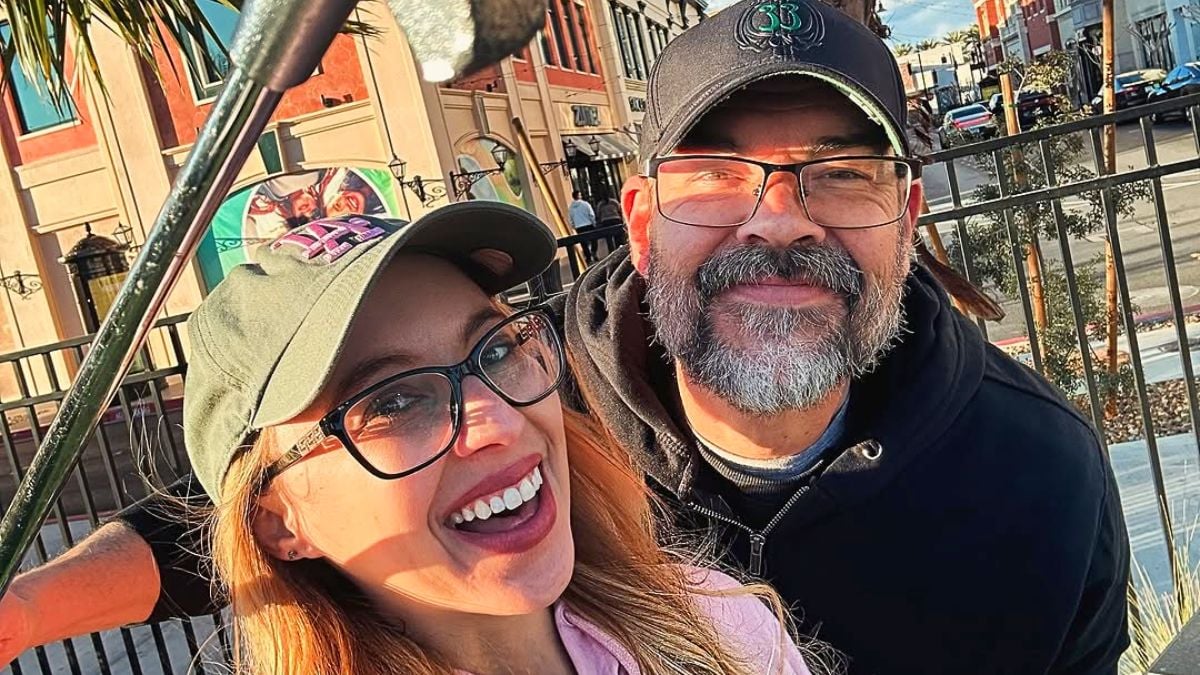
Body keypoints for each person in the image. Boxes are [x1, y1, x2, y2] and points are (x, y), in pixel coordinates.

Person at [0, 1, 1129, 673]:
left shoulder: (1042, 475)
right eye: (715, 173)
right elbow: (235, 503)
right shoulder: (535, 386)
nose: (778, 219)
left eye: (839, 175)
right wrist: (22, 613)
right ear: (638, 220)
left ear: (906, 216)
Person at [9, 204, 812, 675]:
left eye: (496, 348)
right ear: (279, 521)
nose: (498, 420)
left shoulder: (719, 626)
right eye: (392, 401)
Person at [567, 190, 598, 263]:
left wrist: (574, 226)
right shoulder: (585, 204)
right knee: (594, 240)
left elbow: (570, 218)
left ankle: (588, 257)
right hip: (588, 224)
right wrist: (593, 223)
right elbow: (591, 214)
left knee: (583, 243)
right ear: (579, 196)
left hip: (579, 227)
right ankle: (594, 252)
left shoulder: (571, 207)